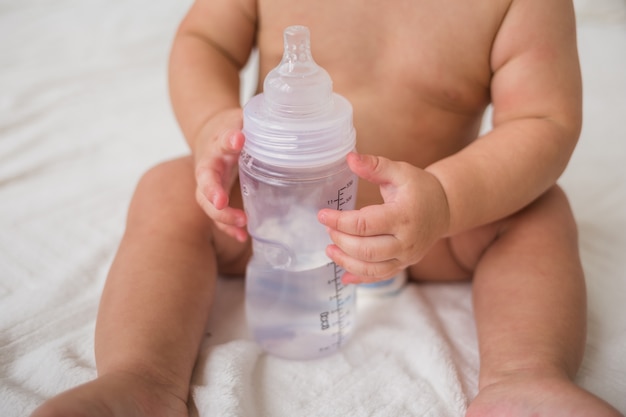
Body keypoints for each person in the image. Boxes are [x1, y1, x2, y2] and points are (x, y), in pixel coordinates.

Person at [30, 0, 624, 416]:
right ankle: (142, 380)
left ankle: (524, 379)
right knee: (166, 187)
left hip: (437, 224)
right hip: (271, 219)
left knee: (538, 212)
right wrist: (213, 120)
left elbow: (543, 121)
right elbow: (202, 42)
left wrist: (445, 199)